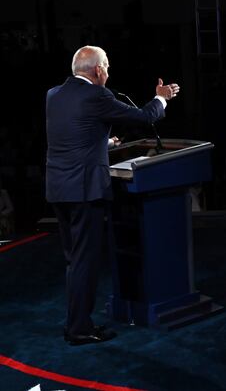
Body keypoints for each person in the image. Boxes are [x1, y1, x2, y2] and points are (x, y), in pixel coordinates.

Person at [46, 46, 180, 345]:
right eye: (106, 66)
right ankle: (79, 329)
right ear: (97, 70)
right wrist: (162, 97)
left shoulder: (54, 95)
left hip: (59, 188)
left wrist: (102, 142)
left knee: (74, 261)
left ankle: (76, 323)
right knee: (85, 262)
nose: (107, 72)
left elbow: (70, 135)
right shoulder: (98, 95)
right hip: (84, 190)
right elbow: (145, 116)